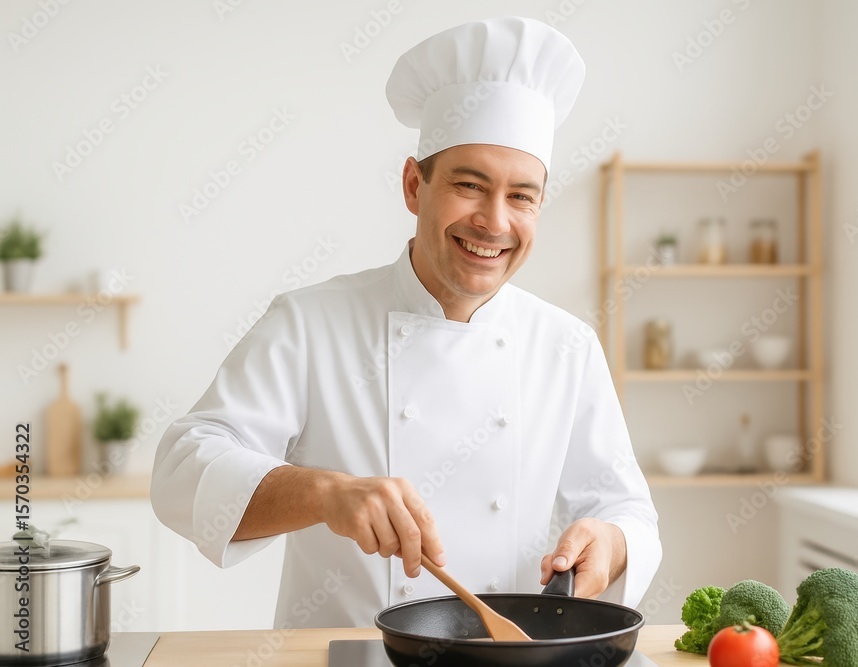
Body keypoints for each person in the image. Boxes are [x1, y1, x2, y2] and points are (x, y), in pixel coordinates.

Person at [151, 16, 661, 629]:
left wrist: (611, 541)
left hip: (506, 658)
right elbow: (182, 470)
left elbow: (627, 511)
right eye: (470, 185)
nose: (495, 222)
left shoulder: (566, 346)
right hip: (342, 657)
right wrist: (325, 493)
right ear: (415, 185)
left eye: (522, 196)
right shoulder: (311, 322)